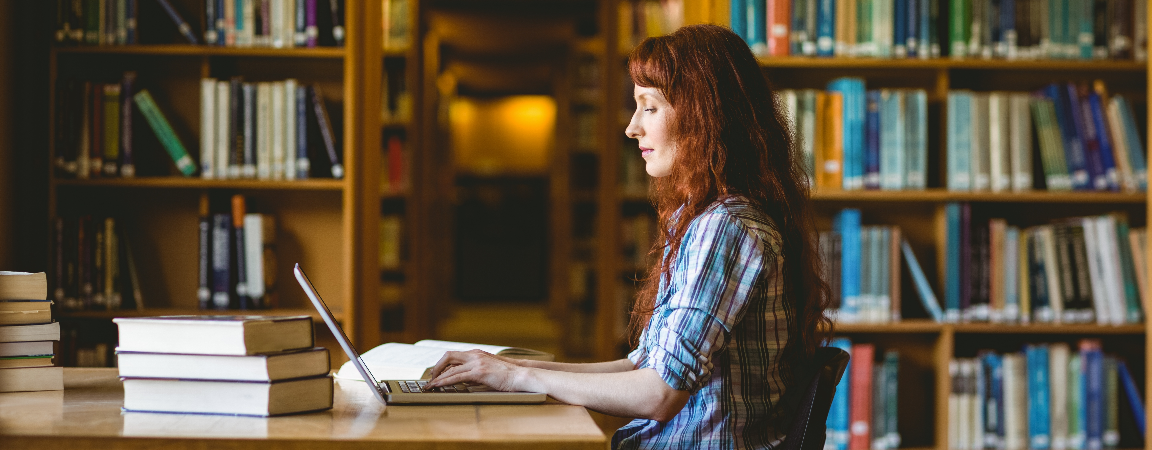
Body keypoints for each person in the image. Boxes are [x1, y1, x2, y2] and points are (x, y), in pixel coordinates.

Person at [427, 24, 832, 449]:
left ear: (702, 115)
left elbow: (659, 393)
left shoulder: (725, 227)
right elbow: (642, 366)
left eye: (649, 107)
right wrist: (506, 369)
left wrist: (517, 377)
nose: (631, 128)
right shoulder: (709, 220)